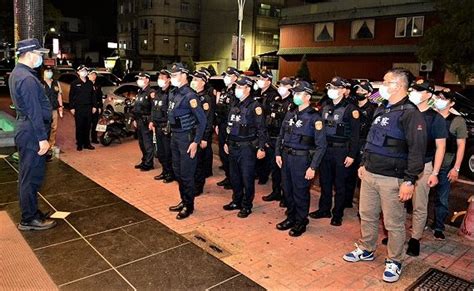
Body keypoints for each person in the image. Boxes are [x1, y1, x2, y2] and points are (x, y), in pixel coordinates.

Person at [343, 68, 426, 283]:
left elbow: (417, 150)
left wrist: (410, 180)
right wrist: (363, 164)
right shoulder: (382, 108)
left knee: (393, 223)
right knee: (367, 215)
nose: (381, 86)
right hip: (370, 174)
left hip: (393, 178)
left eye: (386, 82)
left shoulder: (410, 113)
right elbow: (371, 139)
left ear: (398, 85)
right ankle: (367, 248)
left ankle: (394, 260)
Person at [9, 38, 56, 230]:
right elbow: (34, 111)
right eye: (39, 54)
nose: (41, 58)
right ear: (29, 54)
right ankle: (29, 218)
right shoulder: (27, 78)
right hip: (32, 131)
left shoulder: (19, 73)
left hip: (27, 129)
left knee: (30, 174)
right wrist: (42, 139)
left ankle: (32, 211)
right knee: (30, 176)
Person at [275, 81, 327, 236]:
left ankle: (301, 221)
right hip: (286, 157)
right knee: (287, 190)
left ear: (307, 96)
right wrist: (278, 153)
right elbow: (281, 135)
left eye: (298, 93)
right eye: (294, 93)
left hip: (302, 160)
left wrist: (313, 167)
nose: (295, 96)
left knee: (300, 192)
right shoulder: (291, 113)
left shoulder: (315, 118)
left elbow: (321, 145)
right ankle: (291, 217)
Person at [405, 78, 447, 256]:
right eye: (413, 89)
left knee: (419, 204)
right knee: (397, 202)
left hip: (424, 166)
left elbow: (441, 147)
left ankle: (415, 238)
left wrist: (435, 172)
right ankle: (397, 233)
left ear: (428, 95)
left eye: (419, 90)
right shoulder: (407, 112)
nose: (414, 92)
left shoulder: (435, 118)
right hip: (403, 164)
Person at [311, 77, 360, 226]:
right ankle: (324, 209)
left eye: (337, 87)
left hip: (341, 151)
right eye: (331, 87)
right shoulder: (325, 106)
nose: (332, 90)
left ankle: (337, 214)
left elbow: (355, 135)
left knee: (340, 184)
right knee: (325, 182)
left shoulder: (351, 109)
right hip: (326, 149)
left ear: (344, 90)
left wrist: (352, 154)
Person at [222, 76, 267, 218]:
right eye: (236, 87)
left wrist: (261, 148)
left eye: (240, 87)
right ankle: (236, 200)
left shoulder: (255, 106)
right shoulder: (235, 103)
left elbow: (261, 129)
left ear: (248, 88)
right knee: (235, 176)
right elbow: (230, 126)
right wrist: (227, 142)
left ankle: (247, 205)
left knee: (247, 177)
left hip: (247, 148)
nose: (237, 89)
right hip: (233, 145)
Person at [167, 63, 207, 219]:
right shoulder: (174, 93)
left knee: (186, 174)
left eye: (175, 75)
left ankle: (189, 206)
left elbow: (202, 121)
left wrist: (196, 142)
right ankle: (183, 200)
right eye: (171, 76)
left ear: (184, 75)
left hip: (187, 139)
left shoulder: (190, 96)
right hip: (175, 137)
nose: (172, 78)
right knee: (177, 172)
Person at [432, 88, 467, 240]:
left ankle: (439, 226)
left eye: (444, 98)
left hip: (446, 165)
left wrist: (456, 168)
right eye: (438, 97)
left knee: (442, 198)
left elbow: (461, 146)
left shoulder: (457, 121)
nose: (440, 100)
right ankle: (420, 223)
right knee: (421, 196)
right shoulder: (431, 116)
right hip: (427, 163)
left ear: (451, 103)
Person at [262, 77, 294, 206]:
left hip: (284, 141)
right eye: (280, 84)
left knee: (285, 171)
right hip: (273, 138)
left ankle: (286, 197)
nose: (281, 87)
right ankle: (276, 192)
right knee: (274, 169)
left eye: (285, 85)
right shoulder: (276, 100)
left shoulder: (292, 104)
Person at [344, 80, 376, 208]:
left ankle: (363, 206)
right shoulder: (351, 106)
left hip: (364, 145)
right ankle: (347, 201)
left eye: (362, 91)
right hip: (351, 143)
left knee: (362, 178)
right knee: (348, 175)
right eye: (358, 90)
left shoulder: (371, 109)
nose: (359, 92)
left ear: (368, 93)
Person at [191, 69, 215, 196]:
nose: (193, 82)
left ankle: (198, 186)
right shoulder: (192, 96)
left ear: (203, 82)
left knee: (199, 162)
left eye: (196, 80)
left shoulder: (205, 99)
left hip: (200, 135)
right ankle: (193, 183)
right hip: (191, 133)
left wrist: (205, 137)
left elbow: (207, 120)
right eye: (193, 79)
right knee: (192, 161)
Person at [215, 67, 239, 190]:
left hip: (230, 126)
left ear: (235, 77)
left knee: (229, 153)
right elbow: (219, 109)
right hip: (222, 124)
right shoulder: (224, 91)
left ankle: (233, 179)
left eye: (229, 75)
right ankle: (228, 176)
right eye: (225, 75)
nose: (226, 78)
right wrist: (217, 124)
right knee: (223, 153)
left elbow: (232, 111)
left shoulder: (236, 92)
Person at [254, 69, 279, 185]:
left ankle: (264, 176)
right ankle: (258, 173)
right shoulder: (257, 92)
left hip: (267, 127)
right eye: (259, 78)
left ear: (269, 81)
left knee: (267, 153)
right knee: (258, 150)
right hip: (256, 126)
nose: (260, 81)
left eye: (263, 79)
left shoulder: (273, 94)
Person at [150, 69, 175, 183]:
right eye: (159, 77)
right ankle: (165, 171)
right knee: (160, 152)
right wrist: (152, 121)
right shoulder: (158, 92)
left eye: (162, 78)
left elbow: (171, 111)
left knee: (168, 152)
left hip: (166, 127)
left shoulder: (171, 93)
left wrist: (169, 125)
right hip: (158, 126)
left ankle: (170, 173)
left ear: (169, 79)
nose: (160, 80)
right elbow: (154, 108)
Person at [69, 65, 96, 151]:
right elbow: (71, 96)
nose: (84, 72)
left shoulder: (90, 83)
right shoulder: (74, 83)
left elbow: (93, 96)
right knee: (79, 126)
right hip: (79, 108)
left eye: (85, 71)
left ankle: (87, 143)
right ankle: (79, 143)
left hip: (88, 107)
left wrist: (94, 106)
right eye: (82, 71)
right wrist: (72, 108)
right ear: (78, 72)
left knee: (87, 126)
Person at [133, 72, 155, 171]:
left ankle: (149, 163)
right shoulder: (140, 92)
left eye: (141, 78)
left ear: (147, 79)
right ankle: (144, 160)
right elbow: (136, 107)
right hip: (139, 120)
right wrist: (134, 119)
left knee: (147, 143)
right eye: (139, 78)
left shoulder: (151, 92)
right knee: (141, 143)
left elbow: (154, 108)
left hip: (146, 121)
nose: (139, 80)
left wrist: (151, 121)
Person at [42, 66, 63, 160]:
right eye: (47, 71)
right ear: (44, 72)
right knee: (44, 128)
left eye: (50, 71)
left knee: (53, 127)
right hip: (44, 110)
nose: (49, 73)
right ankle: (43, 145)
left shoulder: (56, 83)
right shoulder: (40, 83)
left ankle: (51, 145)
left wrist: (61, 108)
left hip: (54, 109)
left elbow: (59, 96)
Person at [88, 70, 103, 144]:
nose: (94, 76)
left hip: (96, 106)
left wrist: (100, 107)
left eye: (95, 75)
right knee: (87, 124)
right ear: (88, 75)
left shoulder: (98, 85)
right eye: (92, 75)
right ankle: (86, 139)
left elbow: (100, 97)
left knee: (95, 124)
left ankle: (94, 138)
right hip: (88, 107)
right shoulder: (86, 84)